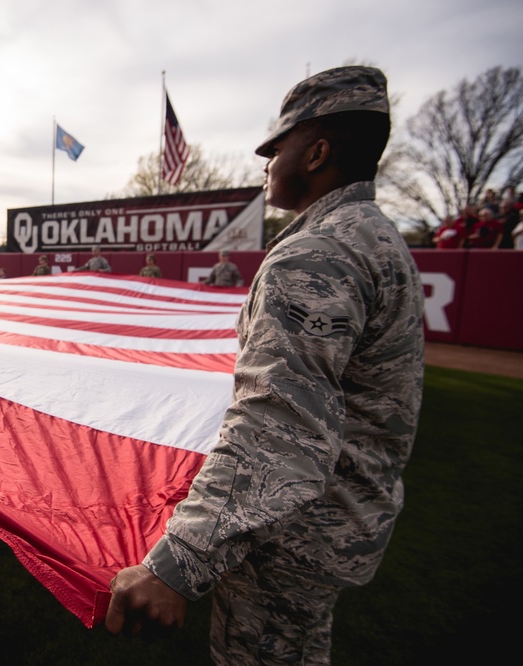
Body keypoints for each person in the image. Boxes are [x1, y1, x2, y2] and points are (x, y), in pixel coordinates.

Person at [106, 66, 425, 665]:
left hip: (294, 532)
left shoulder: (319, 253)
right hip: (337, 521)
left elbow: (279, 425)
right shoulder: (375, 237)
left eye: (277, 147)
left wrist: (180, 562)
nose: (266, 161)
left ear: (318, 151)